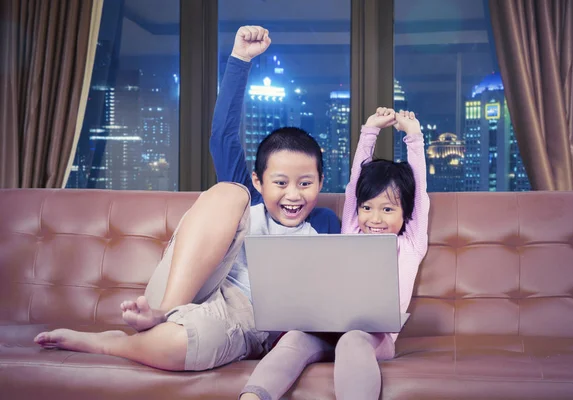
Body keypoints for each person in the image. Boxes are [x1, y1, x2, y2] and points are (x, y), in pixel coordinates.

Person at [33, 25, 340, 372]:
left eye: (306, 183)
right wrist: (240, 60)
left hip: (240, 318)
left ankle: (116, 344)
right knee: (228, 192)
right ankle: (165, 313)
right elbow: (222, 136)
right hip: (186, 291)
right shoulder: (248, 195)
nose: (293, 195)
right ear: (260, 180)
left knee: (177, 346)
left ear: (321, 182)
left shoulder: (326, 223)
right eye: (281, 182)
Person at [240, 107, 430, 400]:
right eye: (367, 208)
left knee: (353, 341)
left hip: (373, 338)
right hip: (328, 329)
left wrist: (413, 137)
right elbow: (355, 185)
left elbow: (420, 194)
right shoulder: (352, 230)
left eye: (388, 209)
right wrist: (369, 130)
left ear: (406, 213)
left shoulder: (410, 244)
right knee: (293, 338)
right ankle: (252, 397)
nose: (375, 218)